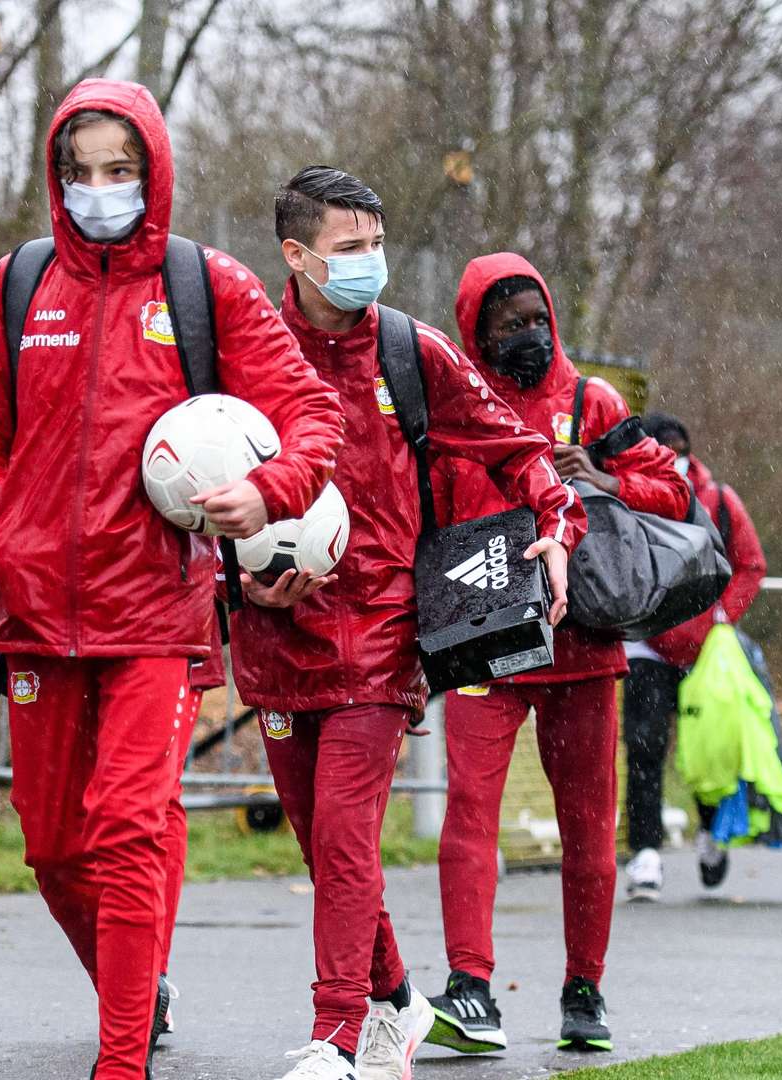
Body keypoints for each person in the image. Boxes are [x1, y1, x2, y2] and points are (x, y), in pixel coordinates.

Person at [0, 80, 344, 1080]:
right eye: (79, 173)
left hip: (157, 616)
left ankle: (122, 1060)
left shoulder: (208, 287)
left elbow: (311, 419)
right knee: (53, 848)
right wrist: (9, 545)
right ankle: (136, 982)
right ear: (54, 177)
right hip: (34, 617)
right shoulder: (18, 284)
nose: (99, 189)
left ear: (153, 170)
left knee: (128, 827)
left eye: (120, 170)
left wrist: (269, 491)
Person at [231, 168, 581, 1080]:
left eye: (376, 244)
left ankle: (336, 1036)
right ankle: (399, 1004)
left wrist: (555, 525)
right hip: (273, 640)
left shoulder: (411, 351)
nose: (370, 264)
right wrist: (233, 570)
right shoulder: (245, 350)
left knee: (347, 841)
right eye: (349, 249)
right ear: (297, 256)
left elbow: (519, 449)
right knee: (322, 847)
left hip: (382, 639)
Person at [424, 254, 691, 1057]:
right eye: (509, 326)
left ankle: (585, 988)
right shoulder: (452, 406)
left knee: (587, 825)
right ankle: (471, 986)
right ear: (477, 329)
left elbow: (673, 490)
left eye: (537, 320)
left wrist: (604, 472)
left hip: (583, 648)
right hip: (484, 639)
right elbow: (425, 507)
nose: (529, 337)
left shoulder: (593, 401)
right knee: (469, 812)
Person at [620, 413, 768, 899]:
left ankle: (710, 833)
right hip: (645, 644)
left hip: (706, 652)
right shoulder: (626, 495)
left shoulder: (719, 501)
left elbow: (750, 563)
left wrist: (722, 615)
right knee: (644, 746)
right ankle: (645, 853)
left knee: (709, 747)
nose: (672, 457)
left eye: (678, 448)